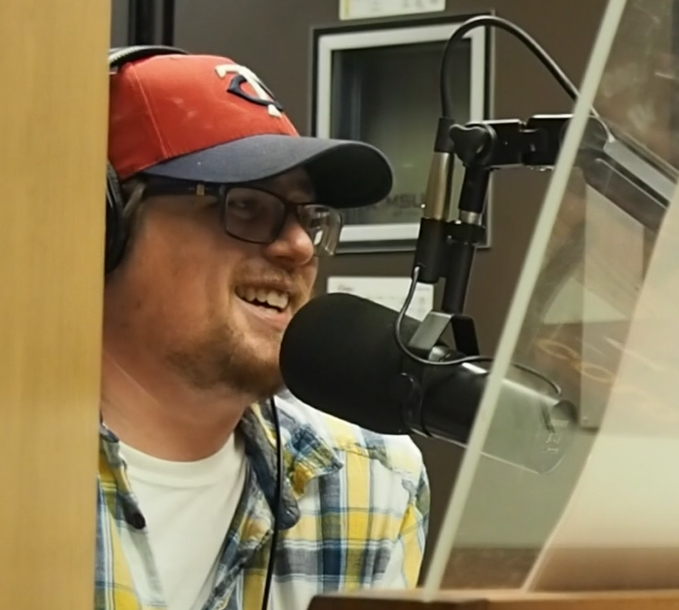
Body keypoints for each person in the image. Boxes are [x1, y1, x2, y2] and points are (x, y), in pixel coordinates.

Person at [95, 49, 429, 610]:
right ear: (105, 227)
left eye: (311, 218)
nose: (298, 247)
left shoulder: (368, 478)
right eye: (245, 205)